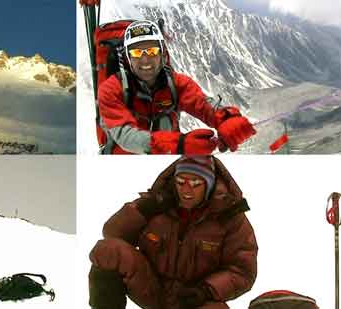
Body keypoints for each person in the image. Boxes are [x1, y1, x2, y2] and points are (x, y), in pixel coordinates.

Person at [88, 155, 258, 309]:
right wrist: (142, 211)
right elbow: (112, 234)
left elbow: (242, 271)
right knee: (108, 251)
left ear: (210, 185)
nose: (186, 190)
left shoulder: (230, 218)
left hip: (193, 299)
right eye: (180, 181)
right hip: (151, 287)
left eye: (196, 184)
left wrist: (206, 291)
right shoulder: (156, 203)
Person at [98, 20, 256, 154]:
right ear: (128, 58)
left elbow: (203, 105)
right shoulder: (110, 90)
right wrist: (179, 145)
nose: (145, 60)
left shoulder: (177, 84)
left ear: (162, 54)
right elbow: (126, 136)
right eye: (137, 53)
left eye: (152, 51)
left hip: (169, 163)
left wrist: (227, 119)